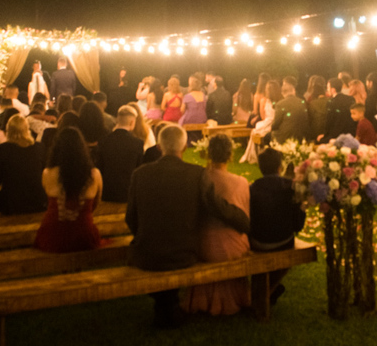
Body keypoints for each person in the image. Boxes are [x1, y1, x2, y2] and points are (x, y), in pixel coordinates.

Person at [125, 125, 250, 328]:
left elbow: (131, 218)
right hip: (183, 254)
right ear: (184, 148)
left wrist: (144, 235)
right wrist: (243, 222)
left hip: (145, 253)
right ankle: (169, 306)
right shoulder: (196, 174)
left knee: (163, 259)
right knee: (172, 258)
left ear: (159, 147)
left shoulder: (140, 174)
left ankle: (165, 305)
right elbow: (218, 207)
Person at [181, 135, 252, 316]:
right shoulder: (241, 183)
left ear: (208, 154)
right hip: (232, 247)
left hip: (202, 244)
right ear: (230, 155)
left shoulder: (198, 179)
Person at [249, 147, 308, 307]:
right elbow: (298, 225)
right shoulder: (290, 187)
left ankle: (268, 290)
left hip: (256, 241)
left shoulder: (253, 188)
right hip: (283, 240)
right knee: (285, 254)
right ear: (279, 167)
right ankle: (268, 292)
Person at [34, 126, 106, 253]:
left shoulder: (47, 173)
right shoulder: (95, 175)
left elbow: (46, 199)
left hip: (52, 235)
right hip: (84, 234)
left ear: (57, 149)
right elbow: (95, 204)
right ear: (82, 149)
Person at [0, 114, 48, 215]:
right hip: (38, 201)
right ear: (27, 129)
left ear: (8, 131)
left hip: (12, 204)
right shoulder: (39, 148)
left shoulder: (1, 150)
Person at [97, 106, 145, 204]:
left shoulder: (104, 141)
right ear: (132, 122)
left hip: (107, 193)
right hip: (127, 194)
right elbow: (139, 170)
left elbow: (99, 167)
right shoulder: (137, 143)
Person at [242, 80, 281, 163]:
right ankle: (257, 153)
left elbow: (263, 117)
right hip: (272, 122)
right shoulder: (279, 101)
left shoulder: (266, 101)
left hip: (269, 122)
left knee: (255, 128)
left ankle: (255, 154)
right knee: (257, 127)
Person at [271, 77, 309, 144]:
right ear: (293, 90)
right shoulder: (302, 102)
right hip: (301, 136)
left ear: (282, 93)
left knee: (267, 137)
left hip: (285, 136)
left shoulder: (280, 104)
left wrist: (271, 127)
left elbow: (275, 124)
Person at [323, 77, 356, 142]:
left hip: (335, 135)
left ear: (333, 89)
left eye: (328, 87)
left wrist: (325, 136)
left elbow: (329, 121)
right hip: (350, 134)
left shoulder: (331, 102)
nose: (327, 90)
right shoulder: (351, 99)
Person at [304, 75, 328, 142]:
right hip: (327, 129)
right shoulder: (329, 101)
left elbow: (309, 117)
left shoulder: (311, 101)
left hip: (315, 129)